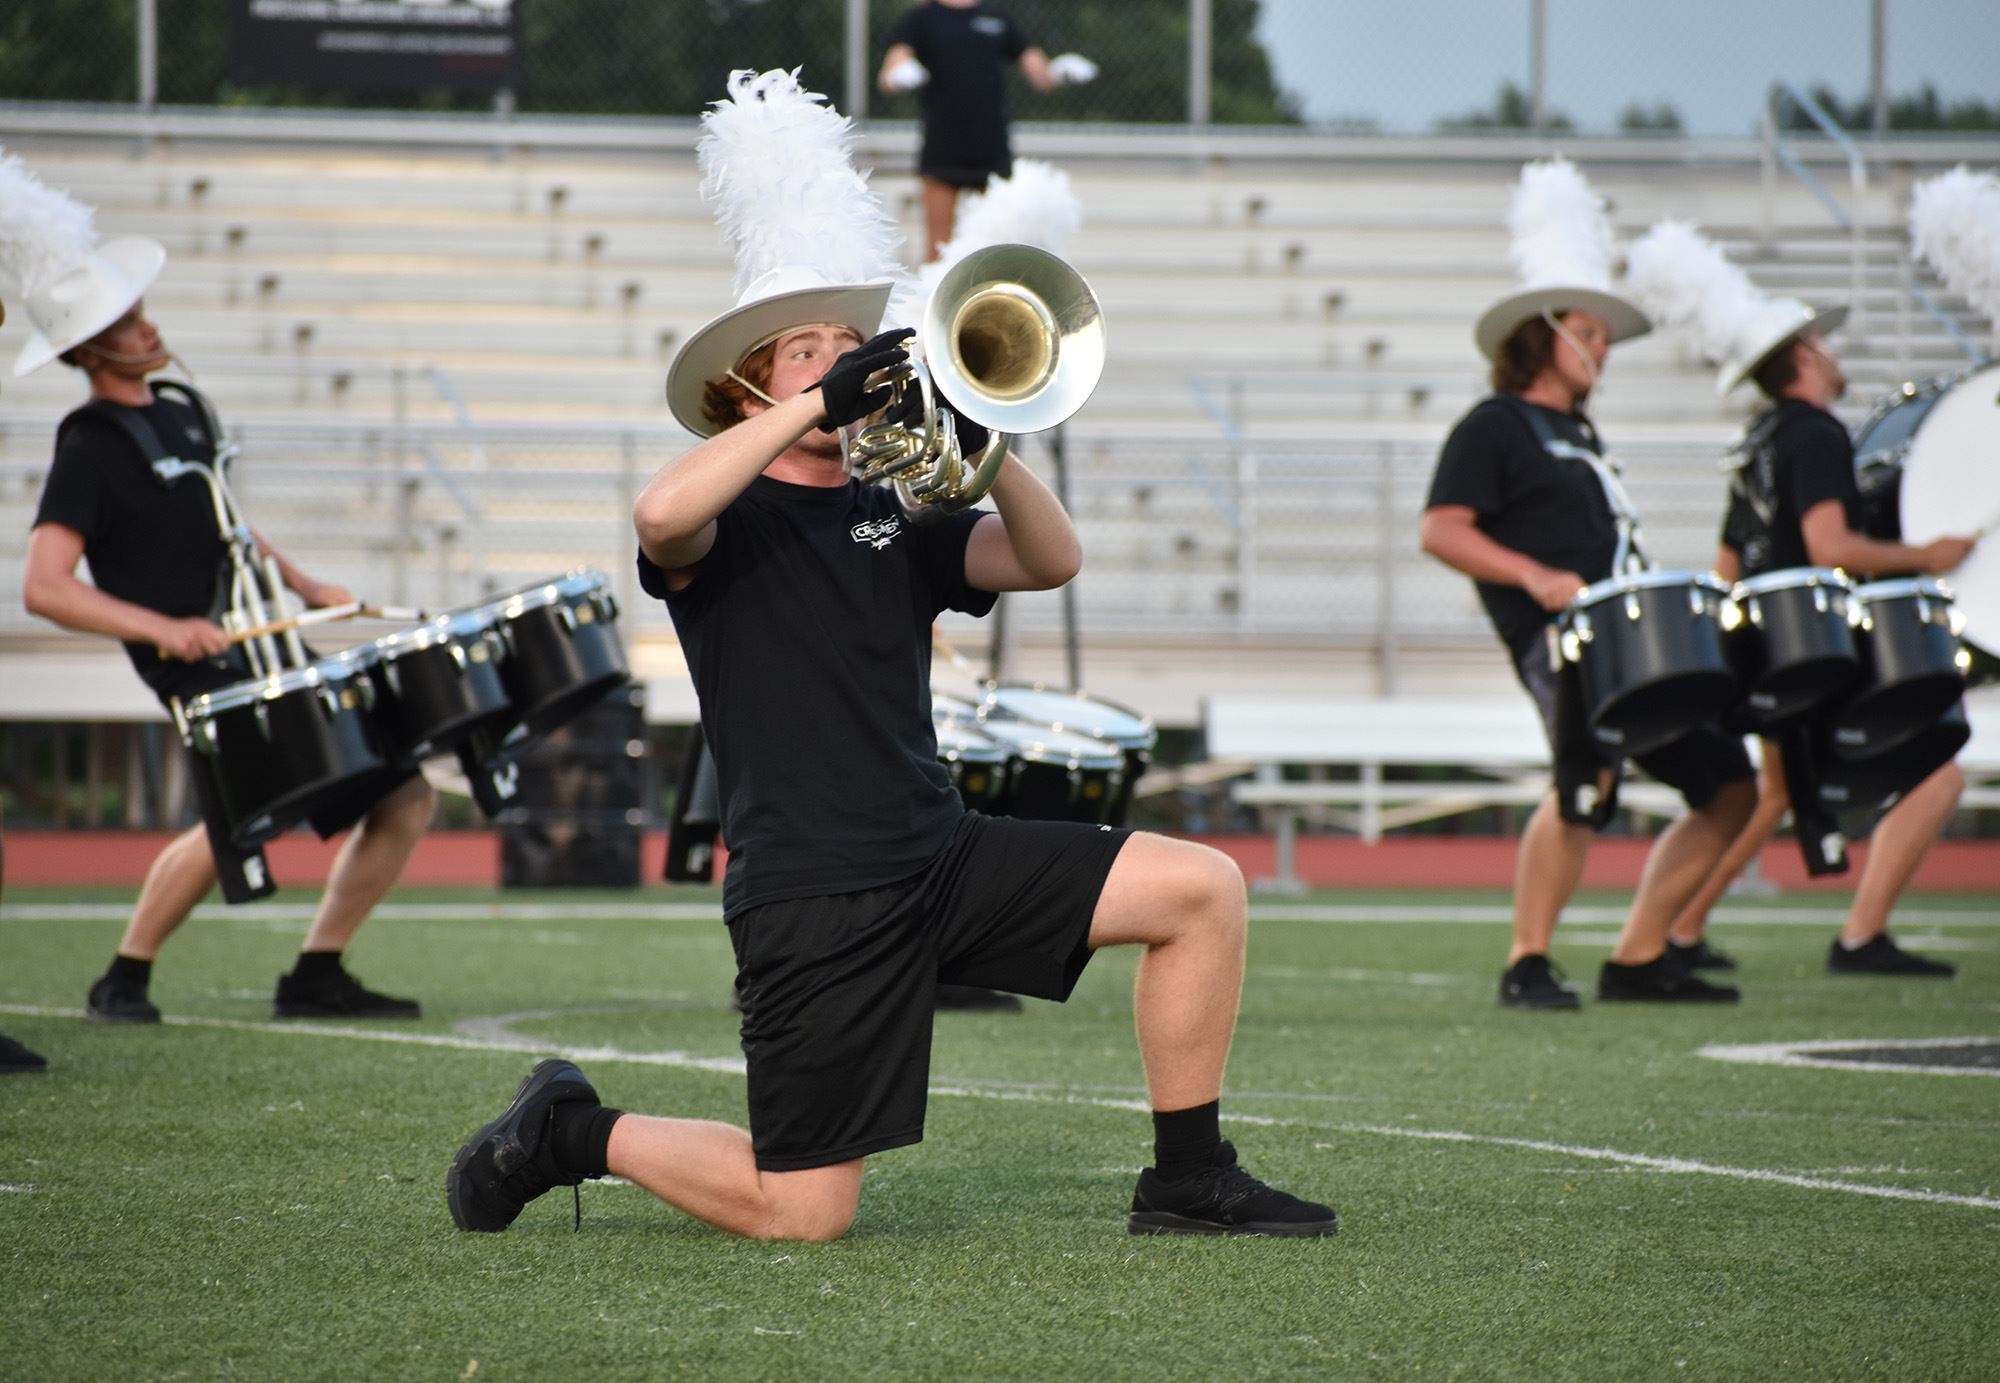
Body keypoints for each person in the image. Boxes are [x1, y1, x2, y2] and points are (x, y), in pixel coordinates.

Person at [447, 67, 1334, 1242]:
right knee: (803, 1212)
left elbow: (1050, 560)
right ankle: (567, 1130)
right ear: (746, 388)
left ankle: (1186, 1178)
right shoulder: (725, 519)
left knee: (1200, 889)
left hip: (942, 852)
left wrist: (987, 440)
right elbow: (659, 516)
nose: (833, 361)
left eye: (846, 344)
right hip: (813, 890)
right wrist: (818, 406)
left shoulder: (898, 511)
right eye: (800, 350)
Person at [18, 239, 432, 1024]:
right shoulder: (88, 445)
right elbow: (45, 586)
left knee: (405, 792)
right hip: (195, 661)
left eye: (141, 313)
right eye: (126, 322)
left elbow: (225, 524)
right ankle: (123, 977)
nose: (148, 327)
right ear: (88, 350)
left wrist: (305, 584)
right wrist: (165, 629)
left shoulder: (180, 412)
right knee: (246, 802)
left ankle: (317, 971)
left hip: (260, 640)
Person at [1421, 311, 1757, 1009]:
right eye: (1589, 332)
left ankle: (1640, 955)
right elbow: (1441, 529)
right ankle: (1527, 962)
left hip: (1631, 633)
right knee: (1585, 781)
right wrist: (1533, 575)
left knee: (1730, 785)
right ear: (1540, 336)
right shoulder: (1494, 425)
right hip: (1566, 635)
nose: (1603, 349)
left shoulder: (1577, 431)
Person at [1663, 309, 1974, 977]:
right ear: (1803, 354)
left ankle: (1679, 929)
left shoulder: (1760, 439)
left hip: (1768, 644)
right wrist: (1928, 555)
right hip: (1812, 641)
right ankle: (1861, 936)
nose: (1834, 353)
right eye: (1823, 343)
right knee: (1937, 770)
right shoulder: (1815, 434)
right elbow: (1829, 547)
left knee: (1773, 793)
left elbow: (1728, 562)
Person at [878, 0, 1095, 261]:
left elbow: (1040, 74)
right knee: (938, 247)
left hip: (991, 148)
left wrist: (1058, 73)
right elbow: (891, 70)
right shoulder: (921, 19)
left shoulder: (996, 17)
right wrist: (897, 75)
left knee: (997, 245)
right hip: (943, 147)